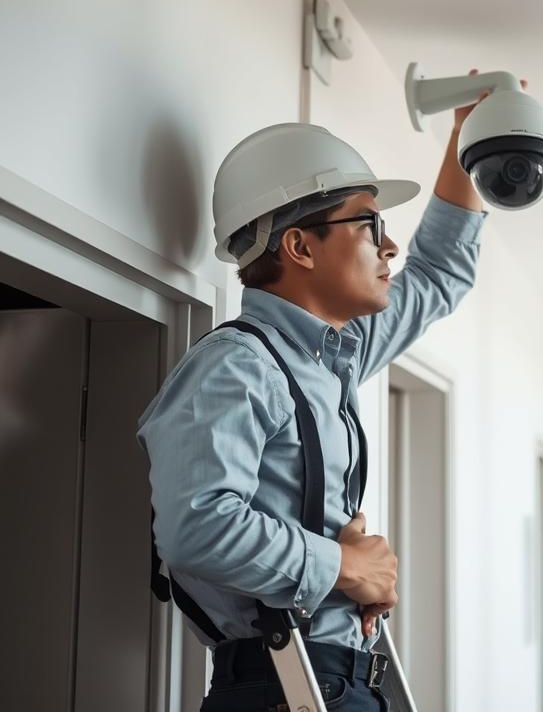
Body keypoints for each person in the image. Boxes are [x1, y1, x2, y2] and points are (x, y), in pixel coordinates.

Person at [139, 70, 512, 712]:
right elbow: (194, 525)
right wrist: (344, 566)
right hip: (279, 688)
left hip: (338, 679)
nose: (389, 244)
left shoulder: (334, 356)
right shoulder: (237, 366)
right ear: (299, 247)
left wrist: (466, 139)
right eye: (369, 224)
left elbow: (440, 273)